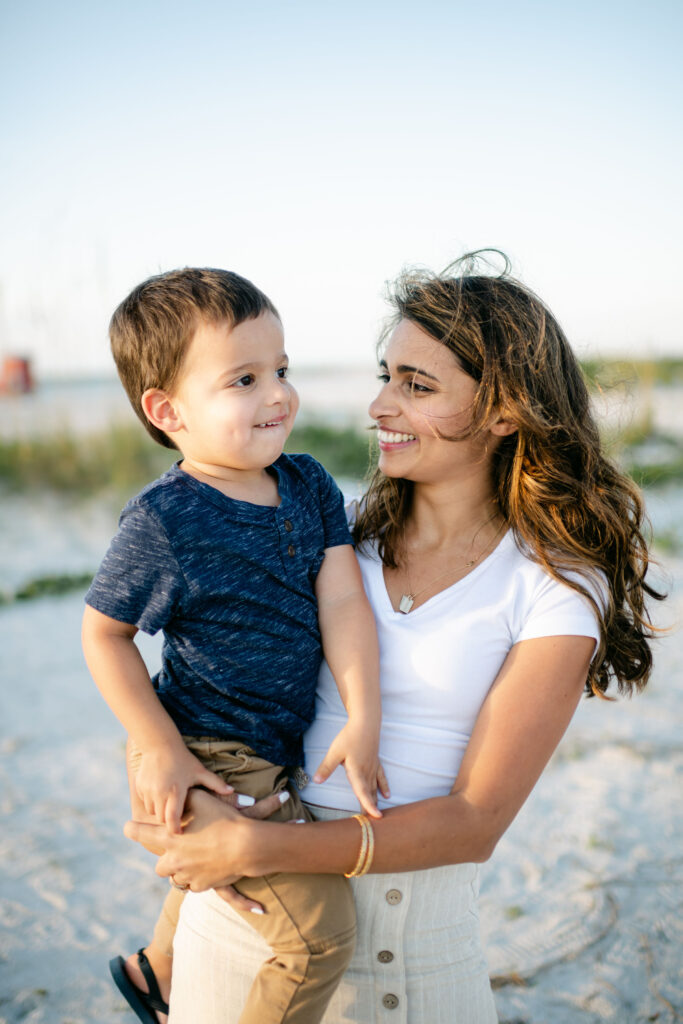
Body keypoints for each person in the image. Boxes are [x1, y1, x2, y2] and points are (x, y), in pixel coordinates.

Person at [125, 252, 662, 1024]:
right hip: (237, 931)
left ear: (504, 411)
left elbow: (474, 822)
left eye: (416, 385)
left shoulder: (554, 586)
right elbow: (199, 662)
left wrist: (258, 849)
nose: (378, 405)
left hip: (410, 967)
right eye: (385, 375)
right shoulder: (331, 535)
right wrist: (162, 769)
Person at [81, 267, 389, 1024]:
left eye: (280, 369)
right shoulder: (164, 522)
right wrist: (161, 750)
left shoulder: (310, 484)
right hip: (201, 744)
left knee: (226, 874)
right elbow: (104, 635)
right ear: (168, 410)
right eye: (244, 378)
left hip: (271, 739)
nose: (277, 392)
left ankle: (155, 970)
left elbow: (344, 598)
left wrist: (362, 712)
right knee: (321, 938)